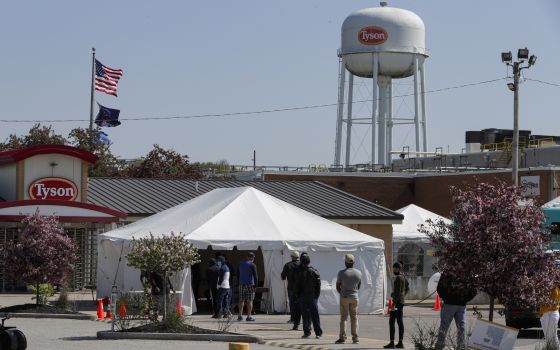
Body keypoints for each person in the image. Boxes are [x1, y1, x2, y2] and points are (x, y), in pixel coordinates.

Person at [434, 273, 477, 350]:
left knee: (444, 326)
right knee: (461, 327)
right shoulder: (466, 271)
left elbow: (440, 287)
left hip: (450, 304)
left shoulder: (448, 271)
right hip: (460, 304)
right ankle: (461, 347)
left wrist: (446, 298)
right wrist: (465, 299)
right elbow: (474, 289)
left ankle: (440, 346)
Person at [335, 254, 362, 344]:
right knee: (354, 317)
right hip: (355, 297)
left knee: (344, 318)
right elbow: (359, 286)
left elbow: (338, 286)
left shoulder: (341, 273)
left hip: (345, 296)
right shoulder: (358, 272)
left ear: (345, 262)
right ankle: (355, 337)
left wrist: (342, 293)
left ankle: (342, 337)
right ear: (353, 262)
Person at [295, 253, 323, 339]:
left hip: (304, 296)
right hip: (311, 296)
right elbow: (318, 286)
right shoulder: (314, 271)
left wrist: (298, 296)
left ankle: (307, 332)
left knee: (305, 315)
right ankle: (317, 332)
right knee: (314, 315)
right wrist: (316, 296)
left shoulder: (299, 272)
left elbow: (297, 286)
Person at [384, 262, 407, 349]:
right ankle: (400, 342)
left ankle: (392, 342)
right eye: (393, 268)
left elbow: (397, 292)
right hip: (400, 302)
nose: (394, 270)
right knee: (399, 322)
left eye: (395, 268)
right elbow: (404, 289)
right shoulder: (403, 277)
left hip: (397, 303)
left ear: (398, 269)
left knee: (392, 321)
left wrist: (393, 304)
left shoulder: (398, 278)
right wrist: (401, 296)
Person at [281, 251, 301, 330]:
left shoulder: (288, 265)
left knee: (292, 304)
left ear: (292, 257)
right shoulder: (302, 264)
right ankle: (300, 320)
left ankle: (293, 319)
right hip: (300, 288)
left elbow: (283, 276)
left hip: (291, 288)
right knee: (300, 304)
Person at [238, 252, 259, 321]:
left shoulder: (240, 264)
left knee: (241, 300)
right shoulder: (252, 265)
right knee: (249, 300)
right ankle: (249, 316)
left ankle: (240, 315)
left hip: (241, 284)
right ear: (252, 257)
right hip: (250, 284)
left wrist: (239, 282)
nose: (253, 259)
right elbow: (255, 276)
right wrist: (256, 285)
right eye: (253, 258)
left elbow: (237, 274)